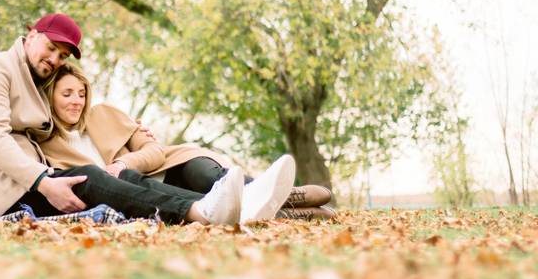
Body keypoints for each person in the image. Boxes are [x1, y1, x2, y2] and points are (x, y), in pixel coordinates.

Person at [0, 13, 295, 225]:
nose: (54, 59)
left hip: (25, 181)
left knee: (124, 177)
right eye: (50, 48)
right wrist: (44, 182)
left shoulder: (37, 82)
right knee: (93, 179)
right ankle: (201, 211)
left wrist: (132, 132)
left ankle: (222, 204)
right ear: (31, 34)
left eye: (62, 55)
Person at [39, 63, 336, 220]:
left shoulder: (104, 114)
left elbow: (154, 151)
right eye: (67, 94)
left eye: (81, 93)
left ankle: (284, 193)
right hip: (144, 190)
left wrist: (122, 163)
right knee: (215, 197)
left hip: (172, 165)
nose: (77, 101)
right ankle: (285, 208)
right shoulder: (48, 144)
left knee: (209, 176)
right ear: (50, 96)